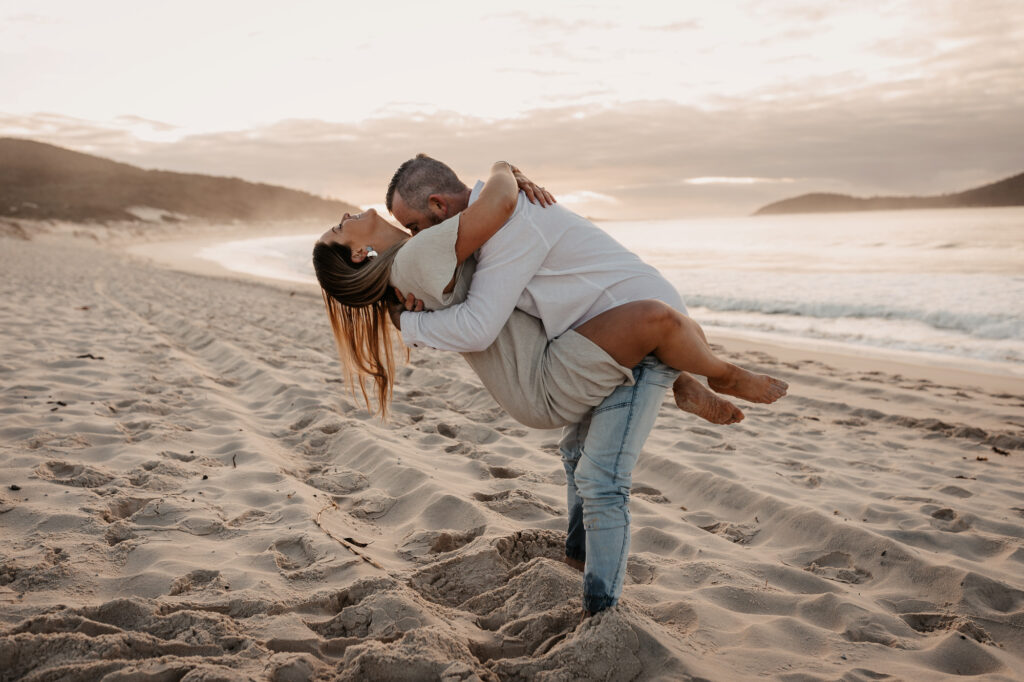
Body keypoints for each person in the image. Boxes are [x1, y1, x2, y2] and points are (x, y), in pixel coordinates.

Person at [313, 158, 787, 614]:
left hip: (596, 340)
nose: (415, 232)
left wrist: (407, 322)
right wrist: (505, 169)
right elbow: (496, 214)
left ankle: (687, 378)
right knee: (600, 469)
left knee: (591, 466)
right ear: (361, 253)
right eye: (340, 226)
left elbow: (500, 227)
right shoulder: (426, 252)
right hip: (593, 347)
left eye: (415, 223)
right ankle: (602, 608)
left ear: (438, 206)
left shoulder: (450, 243)